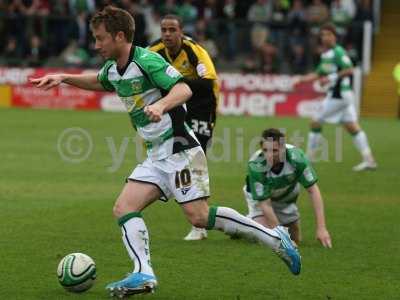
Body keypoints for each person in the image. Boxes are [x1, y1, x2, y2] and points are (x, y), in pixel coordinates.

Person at [30, 6, 301, 298]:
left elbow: (183, 90)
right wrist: (63, 77)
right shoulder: (113, 68)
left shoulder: (147, 60)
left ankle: (276, 238)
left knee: (198, 217)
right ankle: (143, 273)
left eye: (100, 39)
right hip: (156, 154)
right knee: (124, 208)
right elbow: (99, 81)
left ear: (120, 36)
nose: (96, 45)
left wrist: (160, 105)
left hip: (180, 147)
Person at [148, 14, 219, 241]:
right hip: (177, 105)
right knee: (174, 152)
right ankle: (167, 185)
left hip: (202, 106)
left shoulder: (195, 50)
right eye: (164, 30)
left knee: (197, 159)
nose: (167, 34)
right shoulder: (154, 51)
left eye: (172, 30)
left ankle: (201, 223)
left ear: (181, 32)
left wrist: (174, 82)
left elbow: (208, 84)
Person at [294, 23, 377, 171]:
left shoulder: (338, 52)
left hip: (340, 95)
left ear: (334, 36)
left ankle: (308, 160)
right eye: (323, 35)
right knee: (352, 127)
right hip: (340, 96)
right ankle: (369, 160)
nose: (325, 37)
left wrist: (331, 78)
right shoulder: (326, 55)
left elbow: (350, 69)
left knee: (315, 121)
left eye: (328, 34)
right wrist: (300, 79)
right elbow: (318, 74)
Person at [244, 128, 332, 248]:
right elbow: (265, 204)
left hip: (286, 195)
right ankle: (241, 226)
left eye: (274, 150)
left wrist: (321, 228)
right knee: (265, 237)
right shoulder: (256, 165)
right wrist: (282, 236)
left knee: (296, 238)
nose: (269, 155)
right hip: (259, 200)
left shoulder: (297, 158)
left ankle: (252, 223)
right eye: (265, 150)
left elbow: (313, 190)